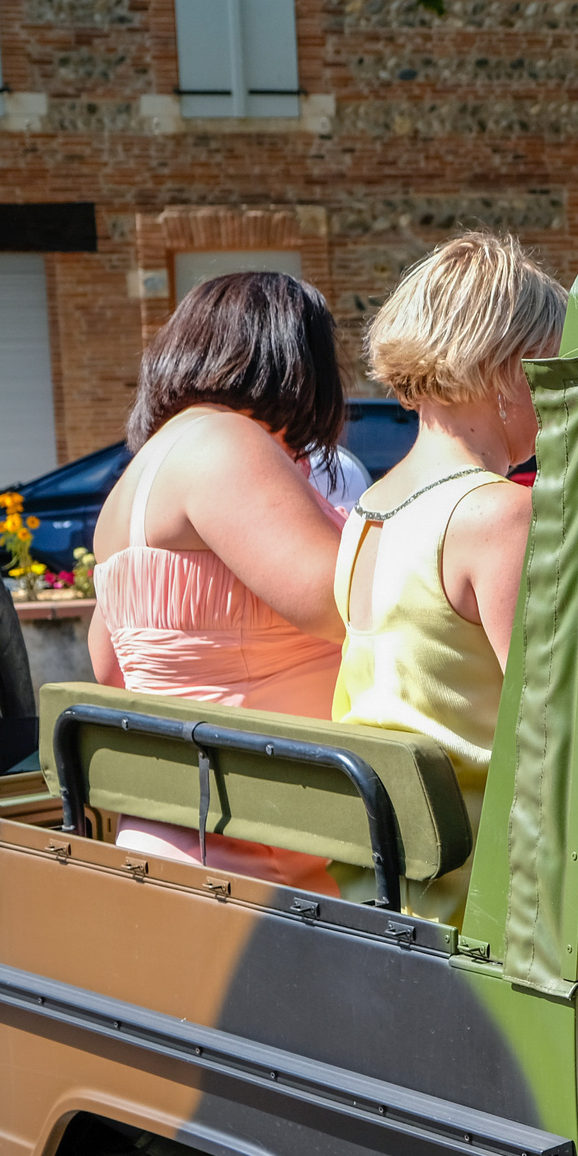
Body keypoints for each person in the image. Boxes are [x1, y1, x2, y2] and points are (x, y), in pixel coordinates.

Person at [88, 271, 353, 891]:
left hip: (171, 828)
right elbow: (338, 603)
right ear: (292, 358)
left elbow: (109, 668)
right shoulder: (223, 442)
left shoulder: (140, 474)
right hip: (266, 844)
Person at [334, 232, 565, 917]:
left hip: (382, 876)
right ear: (506, 369)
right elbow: (556, 724)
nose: (554, 394)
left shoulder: (371, 507)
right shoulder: (495, 512)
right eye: (548, 369)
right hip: (481, 889)